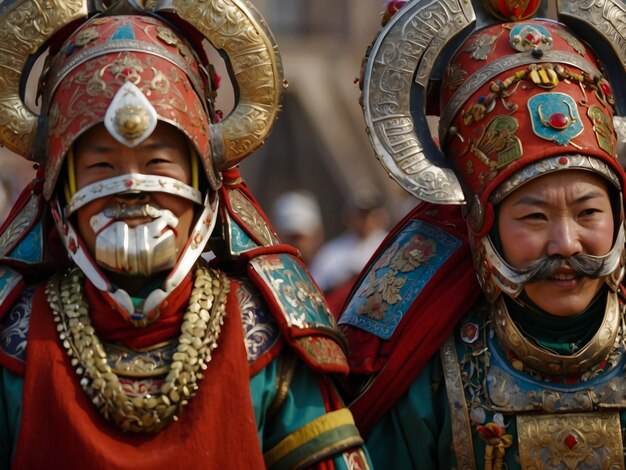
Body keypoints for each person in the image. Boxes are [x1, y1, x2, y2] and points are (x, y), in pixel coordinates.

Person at [0, 1, 371, 468]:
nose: (133, 188)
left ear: (201, 183)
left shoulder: (265, 335)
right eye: (101, 166)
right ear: (60, 187)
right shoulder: (13, 337)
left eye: (157, 163)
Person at [339, 0, 626, 468]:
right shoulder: (430, 368)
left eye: (588, 212)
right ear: (479, 223)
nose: (566, 243)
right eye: (534, 218)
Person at [271, 190, 325, 265]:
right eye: (290, 237)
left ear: (317, 235)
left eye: (300, 237)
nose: (296, 245)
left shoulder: (333, 269)